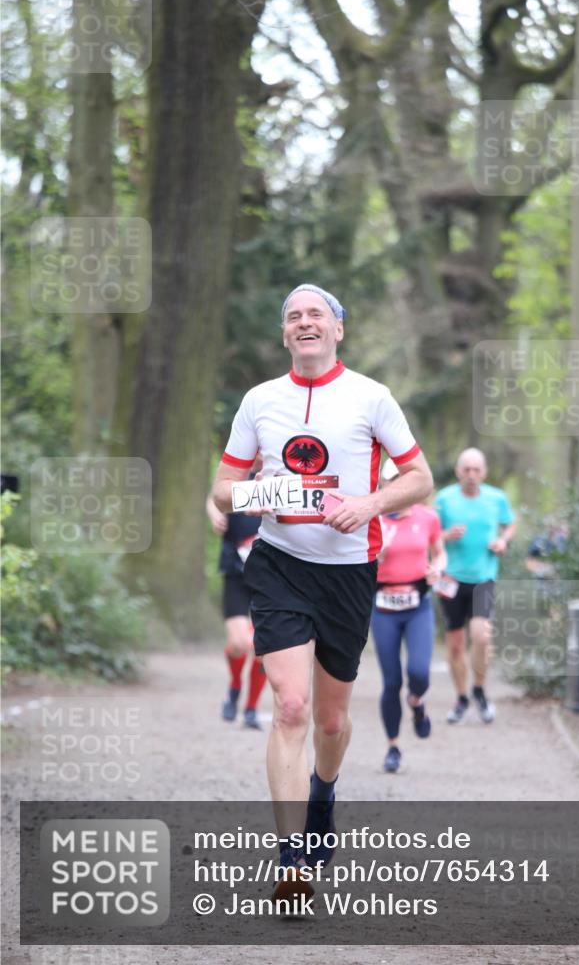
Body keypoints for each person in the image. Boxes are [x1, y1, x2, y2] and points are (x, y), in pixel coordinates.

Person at [211, 283, 433, 901]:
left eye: (316, 314)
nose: (304, 323)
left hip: (348, 573)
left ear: (338, 329)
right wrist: (269, 493)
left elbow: (419, 477)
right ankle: (291, 856)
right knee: (289, 706)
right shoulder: (259, 401)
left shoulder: (371, 397)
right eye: (293, 317)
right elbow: (225, 489)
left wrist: (368, 504)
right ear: (285, 335)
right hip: (280, 565)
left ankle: (324, 794)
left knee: (331, 720)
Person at [371, 458, 446, 773]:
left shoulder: (427, 518)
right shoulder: (372, 520)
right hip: (383, 607)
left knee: (419, 673)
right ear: (383, 486)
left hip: (417, 605)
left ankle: (416, 702)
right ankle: (393, 747)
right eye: (392, 481)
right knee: (391, 681)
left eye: (403, 480)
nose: (399, 486)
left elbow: (440, 552)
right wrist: (375, 557)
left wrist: (437, 569)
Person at [434, 448, 516, 725]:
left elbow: (510, 524)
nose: (471, 475)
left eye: (476, 470)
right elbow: (431, 536)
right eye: (466, 469)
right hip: (452, 580)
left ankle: (479, 689)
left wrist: (504, 540)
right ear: (458, 471)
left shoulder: (496, 498)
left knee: (481, 637)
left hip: (484, 578)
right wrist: (445, 535)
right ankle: (461, 698)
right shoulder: (444, 499)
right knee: (455, 646)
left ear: (484, 472)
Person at [205, 493, 266, 729]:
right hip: (235, 573)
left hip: (270, 577)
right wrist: (216, 515)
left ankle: (251, 708)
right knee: (240, 643)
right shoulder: (240, 474)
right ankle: (235, 686)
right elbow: (213, 497)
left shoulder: (283, 471)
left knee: (263, 650)